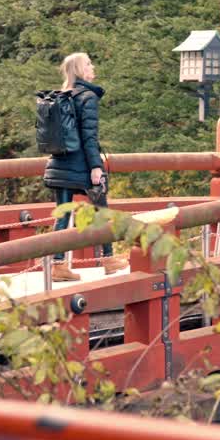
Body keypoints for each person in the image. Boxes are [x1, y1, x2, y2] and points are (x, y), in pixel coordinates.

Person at [43, 52, 129, 282]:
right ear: (81, 70)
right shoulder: (87, 96)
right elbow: (89, 136)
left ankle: (58, 265)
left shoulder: (61, 95)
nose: (93, 67)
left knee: (63, 214)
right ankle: (108, 259)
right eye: (89, 64)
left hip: (58, 163)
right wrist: (96, 166)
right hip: (81, 165)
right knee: (101, 210)